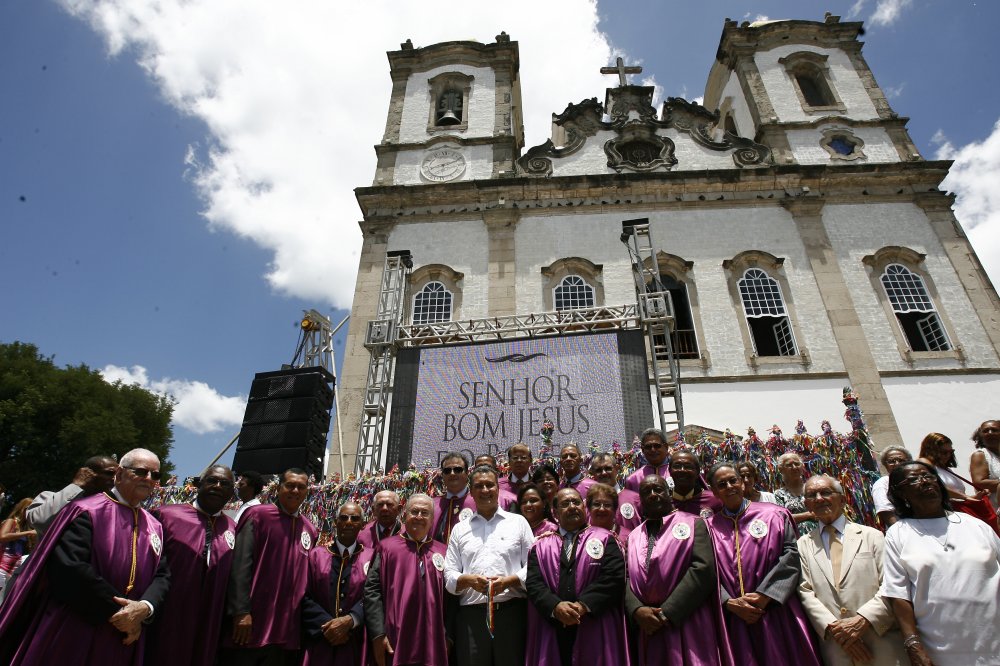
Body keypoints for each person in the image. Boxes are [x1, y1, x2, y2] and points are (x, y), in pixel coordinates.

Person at [0, 448, 170, 665]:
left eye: (155, 475)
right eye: (141, 471)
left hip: (124, 636)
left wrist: (145, 608)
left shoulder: (155, 526)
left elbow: (162, 574)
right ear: (119, 473)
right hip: (76, 624)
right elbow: (68, 567)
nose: (149, 478)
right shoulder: (86, 510)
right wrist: (122, 613)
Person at [880, 460, 1000, 666]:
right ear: (900, 493)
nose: (925, 482)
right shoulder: (898, 533)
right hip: (941, 651)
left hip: (994, 643)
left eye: (929, 476)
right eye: (914, 479)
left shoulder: (975, 525)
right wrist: (913, 644)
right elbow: (898, 594)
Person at [706, 462, 821, 666]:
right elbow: (707, 570)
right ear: (714, 491)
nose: (730, 486)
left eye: (733, 480)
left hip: (776, 609)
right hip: (735, 616)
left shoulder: (775, 514)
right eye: (722, 484)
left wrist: (765, 595)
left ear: (742, 483)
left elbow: (791, 555)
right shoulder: (709, 527)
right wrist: (728, 601)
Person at [796, 475, 906, 666]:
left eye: (826, 492)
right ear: (807, 504)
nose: (819, 498)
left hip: (881, 642)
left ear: (842, 498)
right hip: (837, 649)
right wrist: (837, 631)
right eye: (812, 495)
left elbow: (891, 582)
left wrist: (864, 620)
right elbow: (804, 592)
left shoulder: (872, 536)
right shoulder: (802, 545)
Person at [625, 475, 731, 666]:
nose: (653, 495)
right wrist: (637, 610)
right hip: (648, 625)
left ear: (668, 493)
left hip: (687, 619)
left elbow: (703, 569)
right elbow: (626, 578)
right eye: (646, 492)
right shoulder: (634, 535)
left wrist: (667, 612)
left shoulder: (694, 523)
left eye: (658, 489)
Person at [223, 467, 317, 666]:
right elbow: (240, 564)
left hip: (286, 630)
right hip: (251, 623)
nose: (295, 491)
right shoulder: (258, 515)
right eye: (290, 485)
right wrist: (240, 611)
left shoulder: (309, 529)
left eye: (301, 487)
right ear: (278, 488)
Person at [145, 465, 238, 666]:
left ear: (232, 492)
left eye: (225, 484)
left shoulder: (233, 528)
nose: (218, 486)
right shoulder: (165, 516)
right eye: (212, 481)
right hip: (169, 614)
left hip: (210, 619)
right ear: (199, 484)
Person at [525, 487, 627, 666]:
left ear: (584, 507)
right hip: (554, 626)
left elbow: (613, 578)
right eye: (565, 504)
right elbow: (534, 584)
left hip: (595, 624)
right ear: (555, 512)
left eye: (576, 502)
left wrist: (582, 606)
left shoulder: (606, 538)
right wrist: (555, 607)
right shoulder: (540, 545)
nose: (572, 507)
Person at [444, 464, 534, 666]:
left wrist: (510, 581)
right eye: (479, 486)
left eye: (489, 485)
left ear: (498, 488)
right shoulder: (460, 529)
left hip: (511, 614)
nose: (485, 491)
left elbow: (534, 567)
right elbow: (449, 573)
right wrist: (466, 580)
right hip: (471, 616)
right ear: (472, 491)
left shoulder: (518, 522)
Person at [364, 493, 448, 666]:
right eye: (414, 511)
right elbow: (373, 592)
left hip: (433, 638)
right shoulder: (386, 548)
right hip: (395, 637)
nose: (419, 517)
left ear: (432, 519)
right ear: (405, 515)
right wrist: (378, 634)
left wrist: (450, 637)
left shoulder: (443, 551)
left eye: (424, 513)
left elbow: (452, 598)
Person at [302, 502, 373, 666]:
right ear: (335, 522)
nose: (348, 522)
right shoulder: (316, 555)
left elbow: (374, 595)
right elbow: (303, 595)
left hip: (354, 640)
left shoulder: (371, 556)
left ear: (362, 525)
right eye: (344, 517)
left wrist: (351, 620)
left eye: (354, 518)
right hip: (320, 638)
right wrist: (329, 627)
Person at [26, 454, 117, 536]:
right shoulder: (49, 497)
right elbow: (40, 522)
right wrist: (76, 485)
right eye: (109, 473)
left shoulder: (117, 507)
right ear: (88, 474)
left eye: (118, 475)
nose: (115, 478)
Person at [579, 452, 643, 537]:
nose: (604, 473)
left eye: (608, 468)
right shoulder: (586, 505)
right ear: (593, 473)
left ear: (617, 469)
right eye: (599, 470)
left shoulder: (635, 499)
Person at [917, 432, 984, 505]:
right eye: (944, 452)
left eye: (951, 452)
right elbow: (936, 486)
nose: (948, 455)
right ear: (931, 450)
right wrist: (965, 497)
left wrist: (974, 497)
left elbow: (957, 497)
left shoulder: (946, 469)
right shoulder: (923, 462)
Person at [434, 452, 477, 544]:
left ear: (467, 473)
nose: (452, 474)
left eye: (457, 470)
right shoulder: (433, 504)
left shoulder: (477, 501)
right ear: (442, 475)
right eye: (447, 471)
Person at [669, 450, 722, 519]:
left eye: (688, 467)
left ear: (697, 472)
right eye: (677, 466)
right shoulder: (664, 503)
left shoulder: (714, 500)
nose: (682, 470)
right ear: (669, 471)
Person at [774, 452, 818, 534]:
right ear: (781, 469)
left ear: (802, 467)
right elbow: (781, 519)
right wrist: (808, 515)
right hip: (794, 540)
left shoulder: (813, 488)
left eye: (797, 464)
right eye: (789, 465)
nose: (794, 467)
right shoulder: (779, 494)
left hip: (819, 536)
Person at [870, 447, 911, 529]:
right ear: (885, 465)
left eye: (901, 460)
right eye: (891, 461)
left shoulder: (915, 480)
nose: (897, 464)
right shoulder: (882, 484)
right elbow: (887, 514)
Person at [0, 499, 35, 592]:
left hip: (11, 571)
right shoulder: (11, 521)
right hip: (1, 567)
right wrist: (28, 533)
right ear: (22, 508)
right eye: (29, 509)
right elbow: (2, 536)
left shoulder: (25, 527)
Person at [624, 428, 671, 492]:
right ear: (643, 450)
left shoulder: (677, 474)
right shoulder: (633, 479)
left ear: (666, 447)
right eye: (648, 447)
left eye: (657, 446)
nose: (653, 450)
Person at [970, 419, 1000, 506]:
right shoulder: (980, 455)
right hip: (995, 508)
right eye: (985, 431)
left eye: (994, 430)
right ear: (980, 436)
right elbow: (979, 483)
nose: (990, 433)